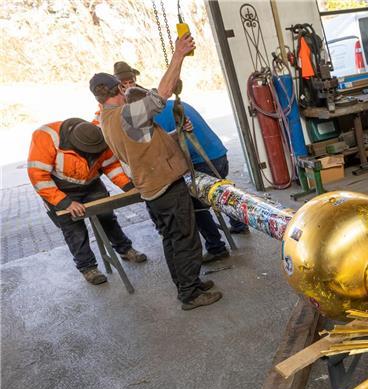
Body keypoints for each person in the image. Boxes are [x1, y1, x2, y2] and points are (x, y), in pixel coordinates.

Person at [89, 33, 223, 311]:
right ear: (118, 89)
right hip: (165, 186)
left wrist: (175, 135)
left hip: (152, 188)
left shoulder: (106, 119)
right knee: (185, 239)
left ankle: (189, 284)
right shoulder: (124, 114)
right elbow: (161, 95)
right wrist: (178, 55)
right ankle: (190, 294)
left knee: (172, 239)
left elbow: (143, 144)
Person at [115, 60, 248, 265]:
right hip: (219, 154)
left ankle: (216, 247)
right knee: (220, 192)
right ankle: (238, 224)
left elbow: (164, 150)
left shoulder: (155, 118)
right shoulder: (173, 105)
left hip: (202, 161)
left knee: (194, 206)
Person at [27, 118, 147, 284]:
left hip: (91, 184)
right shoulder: (46, 137)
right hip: (59, 189)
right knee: (74, 230)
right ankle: (88, 267)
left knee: (107, 216)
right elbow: (38, 177)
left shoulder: (97, 135)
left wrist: (128, 187)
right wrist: (65, 203)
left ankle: (125, 249)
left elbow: (110, 165)